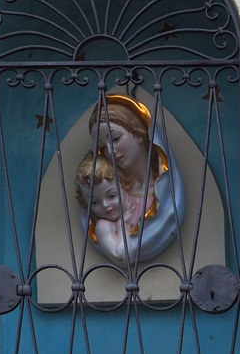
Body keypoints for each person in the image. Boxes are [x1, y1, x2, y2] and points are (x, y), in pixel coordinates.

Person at [76, 94, 185, 266]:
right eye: (103, 147)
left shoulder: (166, 193)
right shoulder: (108, 192)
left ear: (138, 134)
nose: (111, 152)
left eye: (116, 139)